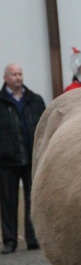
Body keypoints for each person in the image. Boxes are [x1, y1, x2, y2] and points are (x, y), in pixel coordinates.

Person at [0, 64, 46, 254]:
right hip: (6, 160)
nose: (18, 77)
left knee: (33, 200)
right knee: (8, 202)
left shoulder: (35, 100)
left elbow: (44, 126)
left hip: (32, 158)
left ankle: (33, 238)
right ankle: (10, 241)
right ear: (5, 77)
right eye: (14, 74)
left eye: (20, 74)